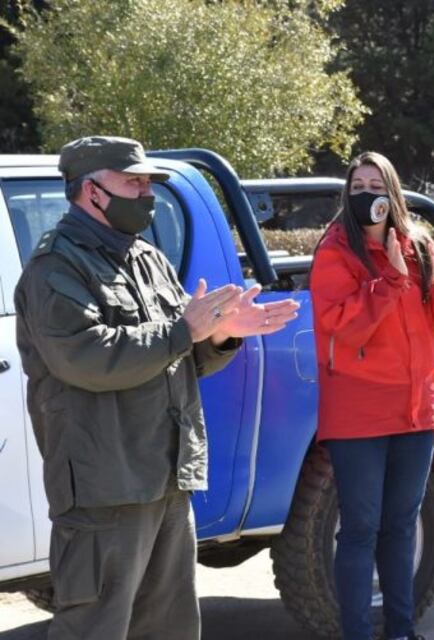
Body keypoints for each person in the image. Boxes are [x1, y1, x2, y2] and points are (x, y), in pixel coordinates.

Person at [14, 136, 300, 640]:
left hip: (164, 476)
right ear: (91, 191)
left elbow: (179, 360)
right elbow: (87, 358)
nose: (146, 193)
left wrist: (221, 334)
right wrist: (182, 330)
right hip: (106, 484)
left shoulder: (146, 258)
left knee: (169, 626)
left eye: (149, 182)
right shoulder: (56, 268)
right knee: (94, 627)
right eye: (134, 182)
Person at [309, 151, 434, 640]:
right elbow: (343, 326)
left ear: (393, 192)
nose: (367, 194)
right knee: (361, 528)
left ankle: (402, 630)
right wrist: (387, 275)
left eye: (376, 184)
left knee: (402, 526)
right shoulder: (335, 250)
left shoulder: (417, 245)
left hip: (417, 410)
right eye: (358, 185)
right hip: (359, 410)